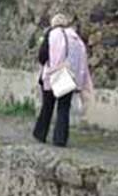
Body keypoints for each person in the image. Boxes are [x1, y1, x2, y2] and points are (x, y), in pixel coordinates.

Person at [33, 13, 93, 147]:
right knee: (63, 108)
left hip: (53, 74)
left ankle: (40, 133)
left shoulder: (52, 34)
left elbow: (42, 56)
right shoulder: (75, 37)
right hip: (70, 75)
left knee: (47, 106)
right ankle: (60, 139)